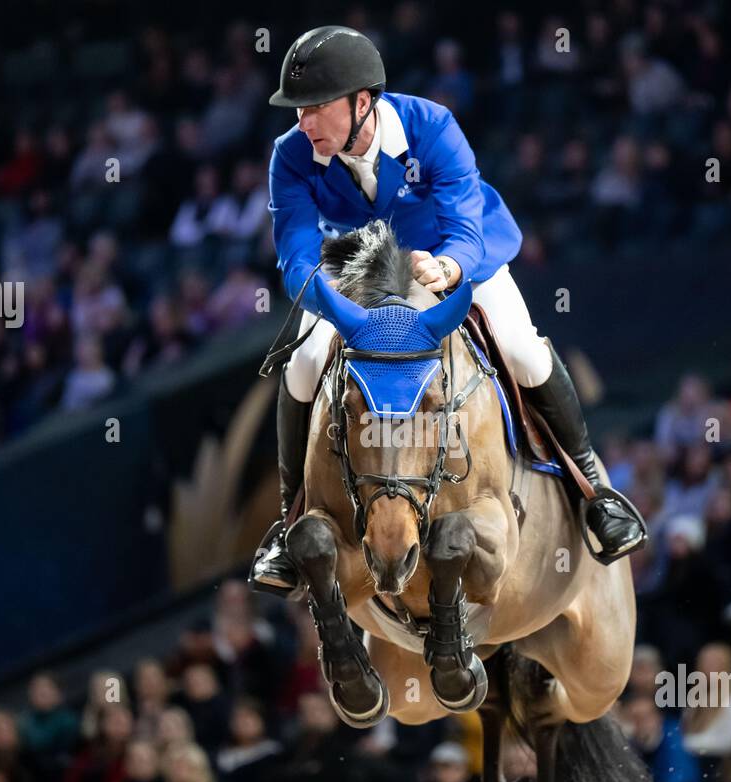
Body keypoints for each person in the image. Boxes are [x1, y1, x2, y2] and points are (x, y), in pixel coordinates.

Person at [249, 26, 647, 596]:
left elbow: (465, 224)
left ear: (363, 102)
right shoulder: (291, 156)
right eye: (298, 111)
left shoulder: (431, 126)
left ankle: (594, 494)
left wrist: (449, 268)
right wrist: (334, 308)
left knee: (521, 349)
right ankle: (288, 523)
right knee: (303, 365)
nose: (303, 123)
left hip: (451, 261)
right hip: (357, 283)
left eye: (314, 109)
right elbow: (295, 257)